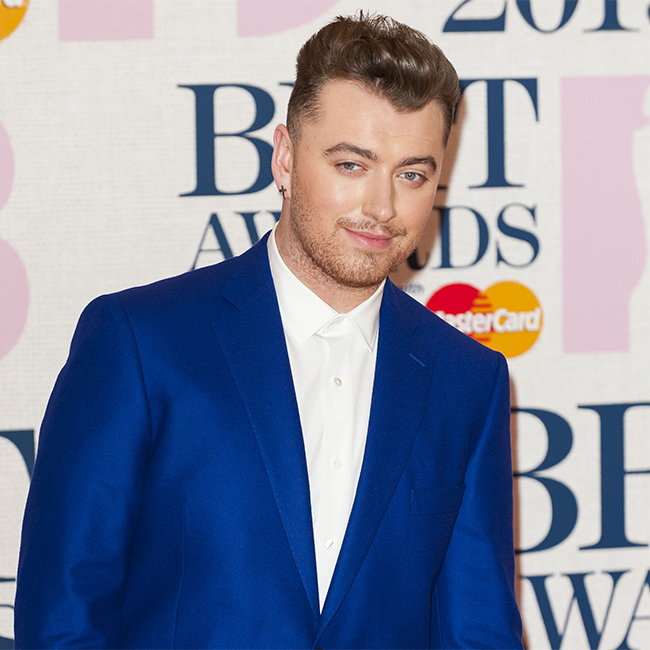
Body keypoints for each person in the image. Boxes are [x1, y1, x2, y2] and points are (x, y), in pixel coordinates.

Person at [14, 13, 523, 649]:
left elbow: (478, 632)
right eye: (351, 165)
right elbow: (62, 620)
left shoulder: (466, 381)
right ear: (284, 158)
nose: (382, 207)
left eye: (412, 174)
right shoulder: (141, 345)